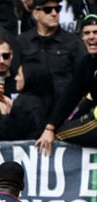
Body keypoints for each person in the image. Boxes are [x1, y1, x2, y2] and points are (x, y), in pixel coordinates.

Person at [35, 14, 97, 154]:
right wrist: (50, 127)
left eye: (96, 32)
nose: (91, 37)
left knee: (59, 136)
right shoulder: (87, 63)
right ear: (82, 38)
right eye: (87, 33)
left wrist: (52, 130)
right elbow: (71, 95)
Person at [18, 0, 87, 101]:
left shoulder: (73, 42)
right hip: (32, 108)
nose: (54, 14)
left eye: (57, 9)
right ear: (36, 14)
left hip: (64, 106)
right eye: (48, 10)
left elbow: (84, 76)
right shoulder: (22, 42)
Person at [6, 62, 55, 140]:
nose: (16, 78)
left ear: (30, 77)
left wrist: (5, 115)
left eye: (19, 74)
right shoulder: (51, 102)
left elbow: (13, 134)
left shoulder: (23, 102)